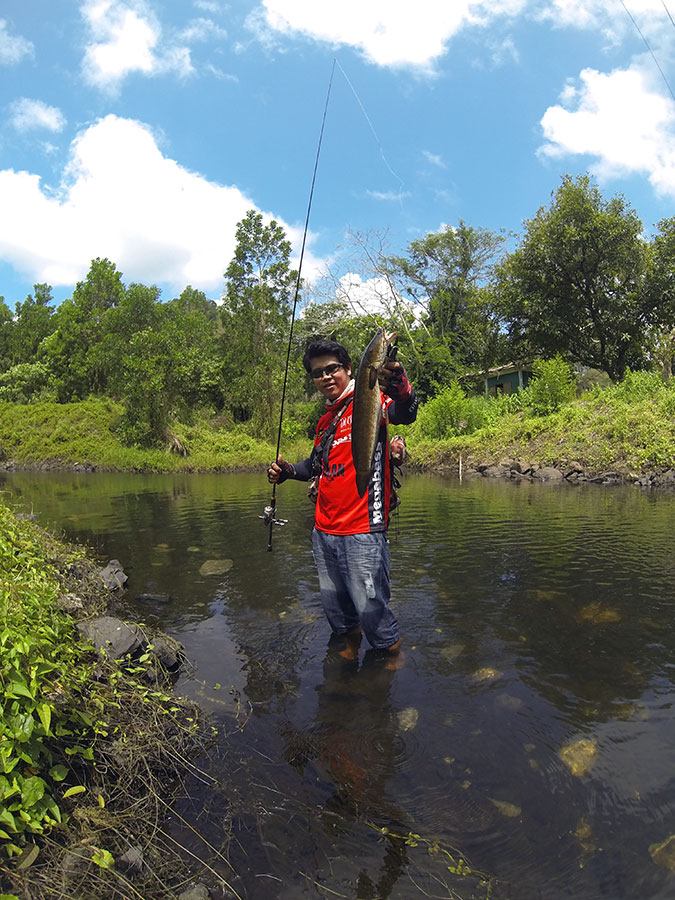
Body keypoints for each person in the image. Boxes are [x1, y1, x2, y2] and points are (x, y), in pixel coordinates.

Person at [267, 338, 418, 666]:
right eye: (317, 373)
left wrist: (399, 381)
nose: (325, 377)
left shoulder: (373, 399)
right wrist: (287, 471)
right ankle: (350, 643)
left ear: (350, 369)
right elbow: (315, 466)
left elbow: (405, 411)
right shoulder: (325, 421)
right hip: (324, 530)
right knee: (336, 605)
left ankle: (391, 656)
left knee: (371, 606)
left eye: (332, 368)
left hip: (363, 527)